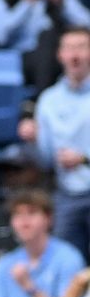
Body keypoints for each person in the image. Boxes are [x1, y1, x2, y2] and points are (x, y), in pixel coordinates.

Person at [35, 26, 90, 253]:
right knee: (67, 260)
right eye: (69, 48)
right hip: (65, 194)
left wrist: (85, 159)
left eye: (81, 47)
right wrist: (32, 139)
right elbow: (45, 159)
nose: (75, 55)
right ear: (60, 55)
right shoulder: (48, 100)